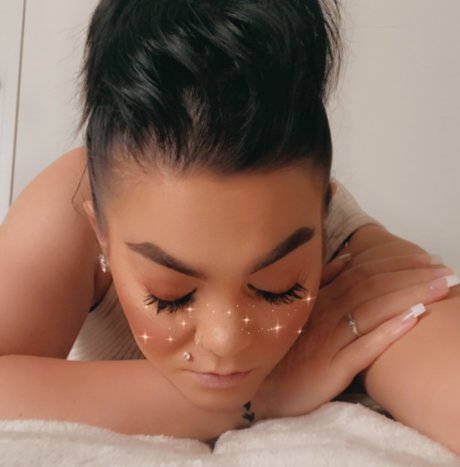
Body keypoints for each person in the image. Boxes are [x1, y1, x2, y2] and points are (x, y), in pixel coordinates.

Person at [0, 0, 459, 454]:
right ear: (100, 231)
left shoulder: (356, 260)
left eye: (277, 287)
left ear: (323, 218)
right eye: (170, 294)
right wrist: (262, 396)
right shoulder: (67, 203)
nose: (227, 342)